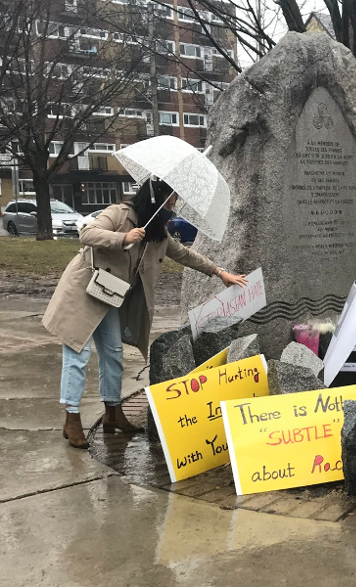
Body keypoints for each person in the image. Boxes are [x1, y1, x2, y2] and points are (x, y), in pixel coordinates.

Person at [43, 179, 248, 449]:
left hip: (108, 296)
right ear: (155, 199)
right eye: (171, 200)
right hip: (83, 291)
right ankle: (71, 418)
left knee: (114, 353)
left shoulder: (157, 233)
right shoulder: (119, 214)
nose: (173, 207)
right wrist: (123, 238)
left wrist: (221, 273)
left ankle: (113, 413)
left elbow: (185, 255)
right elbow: (88, 233)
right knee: (77, 354)